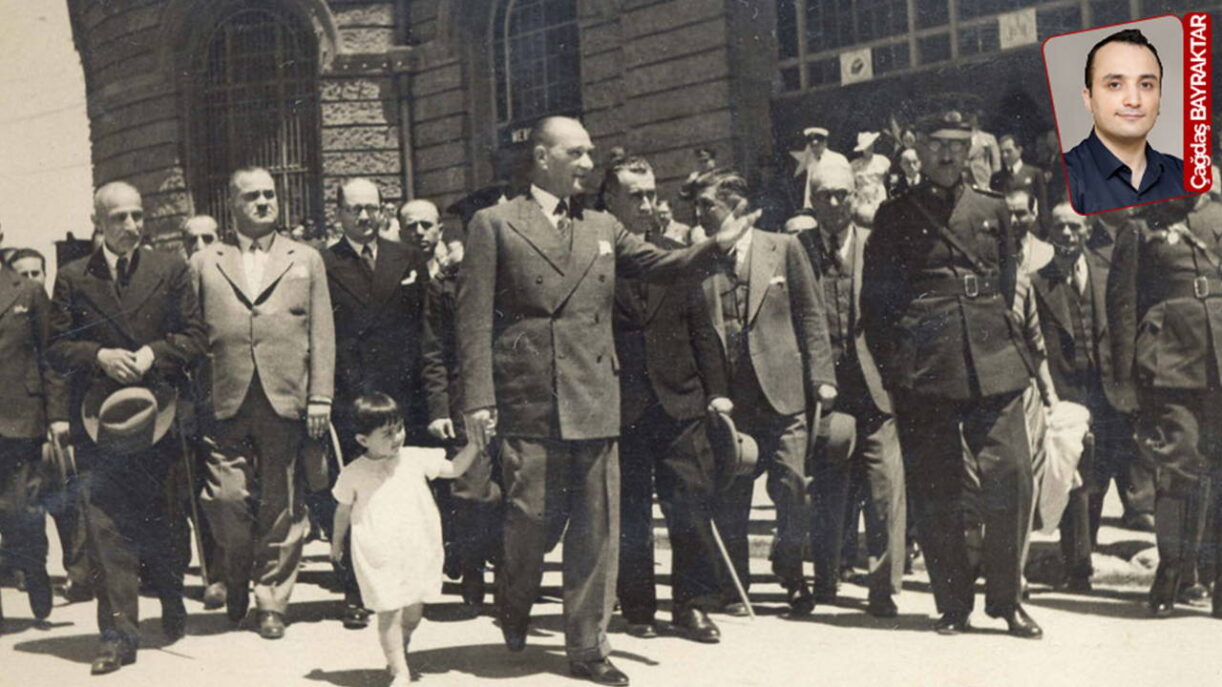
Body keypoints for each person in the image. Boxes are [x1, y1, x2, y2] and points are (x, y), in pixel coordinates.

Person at [457, 116, 755, 687]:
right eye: (577, 153)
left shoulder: (600, 225)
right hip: (530, 397)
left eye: (590, 153)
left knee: (597, 528)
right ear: (543, 158)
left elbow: (660, 265)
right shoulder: (494, 223)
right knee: (530, 520)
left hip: (595, 395)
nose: (589, 164)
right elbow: (472, 321)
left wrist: (715, 248)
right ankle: (514, 598)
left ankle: (588, 646)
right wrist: (477, 399)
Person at [861, 106, 1043, 639]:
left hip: (992, 357)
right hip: (927, 365)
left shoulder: (992, 208)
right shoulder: (894, 217)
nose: (947, 154)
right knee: (936, 485)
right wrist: (898, 370)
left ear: (970, 150)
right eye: (938, 143)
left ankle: (1006, 600)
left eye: (958, 145)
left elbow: (1005, 283)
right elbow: (876, 306)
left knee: (1012, 473)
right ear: (917, 146)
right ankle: (953, 602)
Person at [48, 181, 205, 674]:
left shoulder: (170, 269)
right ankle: (117, 635)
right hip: (101, 422)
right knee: (105, 529)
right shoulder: (74, 278)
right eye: (119, 217)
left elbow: (195, 337)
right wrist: (99, 355)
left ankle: (172, 600)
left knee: (165, 520)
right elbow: (56, 348)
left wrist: (153, 353)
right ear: (98, 222)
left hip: (158, 417)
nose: (132, 226)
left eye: (138, 215)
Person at [191, 167, 335, 640]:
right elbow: (192, 334)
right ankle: (235, 573)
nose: (263, 202)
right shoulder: (205, 261)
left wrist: (320, 396)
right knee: (225, 499)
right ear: (231, 204)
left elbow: (322, 333)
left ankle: (271, 598)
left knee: (282, 502)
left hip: (285, 394)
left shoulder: (306, 258)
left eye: (269, 194)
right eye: (251, 196)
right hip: (224, 396)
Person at [691, 168, 837, 616]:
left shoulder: (784, 248)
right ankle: (735, 588)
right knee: (732, 494)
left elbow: (811, 316)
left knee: (793, 486)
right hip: (730, 401)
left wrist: (823, 377)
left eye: (707, 204)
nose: (698, 213)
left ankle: (791, 571)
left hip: (783, 394)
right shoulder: (699, 259)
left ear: (736, 205)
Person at [600, 153, 728, 643]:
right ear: (609, 200)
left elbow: (702, 329)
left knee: (690, 504)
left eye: (652, 194)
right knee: (630, 512)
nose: (647, 204)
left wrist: (717, 392)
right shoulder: (596, 260)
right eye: (635, 195)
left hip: (681, 400)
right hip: (622, 404)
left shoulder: (677, 255)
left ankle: (692, 605)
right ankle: (637, 608)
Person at [322, 178, 430, 628]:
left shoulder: (406, 258)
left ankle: (404, 588)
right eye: (354, 209)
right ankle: (355, 592)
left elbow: (425, 328)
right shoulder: (324, 262)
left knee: (401, 498)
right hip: (353, 400)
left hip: (402, 397)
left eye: (372, 208)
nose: (364, 217)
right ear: (339, 213)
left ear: (384, 210)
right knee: (358, 499)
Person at [1109, 195, 1222, 618]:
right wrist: (1123, 377)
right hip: (1170, 358)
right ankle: (1173, 568)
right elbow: (1122, 305)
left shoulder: (1218, 215)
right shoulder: (1140, 227)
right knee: (1179, 461)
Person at [802, 159, 906, 618]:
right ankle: (826, 579)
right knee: (829, 487)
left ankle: (883, 588)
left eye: (841, 194)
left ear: (854, 197)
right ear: (812, 200)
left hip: (876, 388)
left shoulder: (877, 246)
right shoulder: (797, 250)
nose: (834, 203)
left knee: (885, 488)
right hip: (826, 392)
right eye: (824, 194)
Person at [330, 393, 480, 687]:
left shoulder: (415, 457)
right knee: (389, 610)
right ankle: (400, 670)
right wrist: (336, 543)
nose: (397, 437)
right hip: (378, 552)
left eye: (399, 428)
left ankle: (401, 645)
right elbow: (342, 510)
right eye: (387, 433)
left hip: (417, 546)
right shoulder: (353, 472)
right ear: (363, 440)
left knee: (413, 612)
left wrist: (475, 444)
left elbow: (454, 469)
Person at [1031, 201, 1128, 591]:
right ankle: (1078, 566)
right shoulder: (1038, 282)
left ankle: (1084, 551)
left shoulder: (1107, 274)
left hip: (1105, 390)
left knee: (1099, 474)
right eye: (1060, 228)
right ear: (1049, 233)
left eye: (1075, 227)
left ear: (1088, 231)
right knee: (1073, 475)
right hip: (1065, 392)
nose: (1068, 234)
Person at [421, 232, 501, 617]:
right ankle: (472, 564)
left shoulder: (518, 272)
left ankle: (508, 572)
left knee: (517, 490)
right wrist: (439, 408)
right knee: (471, 490)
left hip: (519, 396)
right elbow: (433, 352)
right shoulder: (446, 284)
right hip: (464, 399)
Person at [0, 258, 63, 627]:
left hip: (19, 418)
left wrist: (56, 415)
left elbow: (50, 357)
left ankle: (34, 565)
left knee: (19, 508)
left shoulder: (28, 291)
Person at [1064, 28, 1186, 213]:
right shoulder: (1066, 176)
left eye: (1146, 85)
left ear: (1159, 98)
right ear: (1088, 98)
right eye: (1115, 85)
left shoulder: (1183, 174)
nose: (1134, 101)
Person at [991, 135, 1049, 232]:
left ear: (1019, 150)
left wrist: (1044, 227)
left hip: (1029, 225)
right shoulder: (996, 177)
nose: (1004, 155)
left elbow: (1042, 203)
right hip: (1006, 226)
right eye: (1002, 152)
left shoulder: (1034, 173)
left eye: (1008, 151)